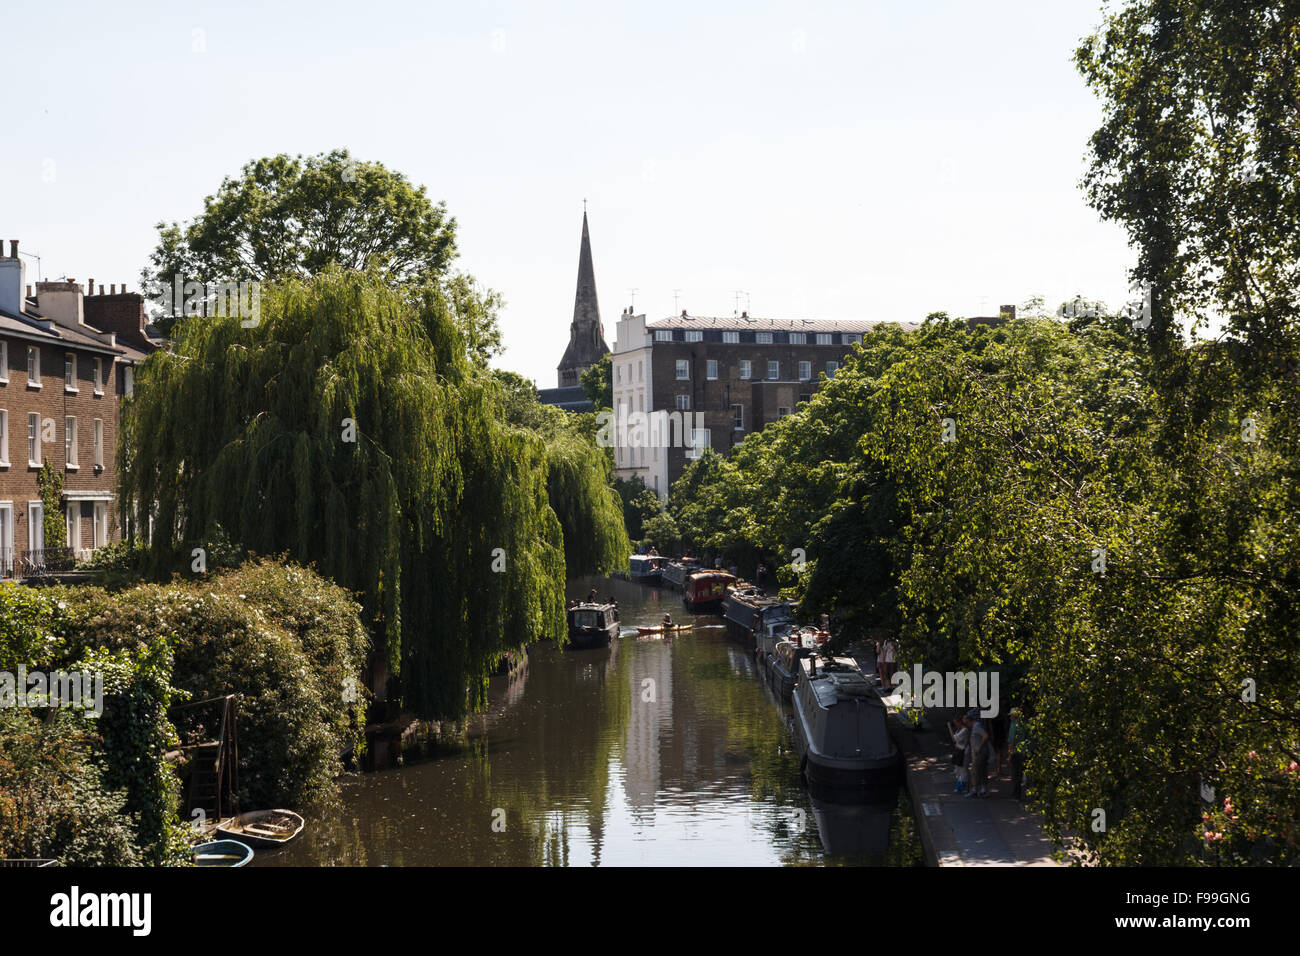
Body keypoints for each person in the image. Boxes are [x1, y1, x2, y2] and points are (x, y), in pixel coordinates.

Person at [965, 709, 997, 798]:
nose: (967, 725)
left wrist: (979, 747)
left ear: (970, 721)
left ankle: (975, 789)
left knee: (975, 771)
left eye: (967, 723)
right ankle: (983, 789)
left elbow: (985, 735)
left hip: (981, 752)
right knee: (982, 770)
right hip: (980, 752)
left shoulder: (976, 726)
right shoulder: (975, 726)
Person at [948, 714, 972, 794]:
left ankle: (965, 788)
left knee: (963, 770)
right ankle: (960, 787)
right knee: (957, 770)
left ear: (959, 722)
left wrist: (949, 727)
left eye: (956, 723)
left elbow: (954, 739)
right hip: (958, 751)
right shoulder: (959, 730)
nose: (955, 725)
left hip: (964, 752)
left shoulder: (964, 730)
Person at [1008, 707, 1026, 799]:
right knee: (1020, 773)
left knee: (1015, 774)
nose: (1010, 717)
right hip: (1023, 751)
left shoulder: (1013, 725)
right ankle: (1018, 792)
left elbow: (1011, 741)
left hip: (1015, 752)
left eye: (1011, 715)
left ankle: (1016, 793)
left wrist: (1009, 755)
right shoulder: (1023, 725)